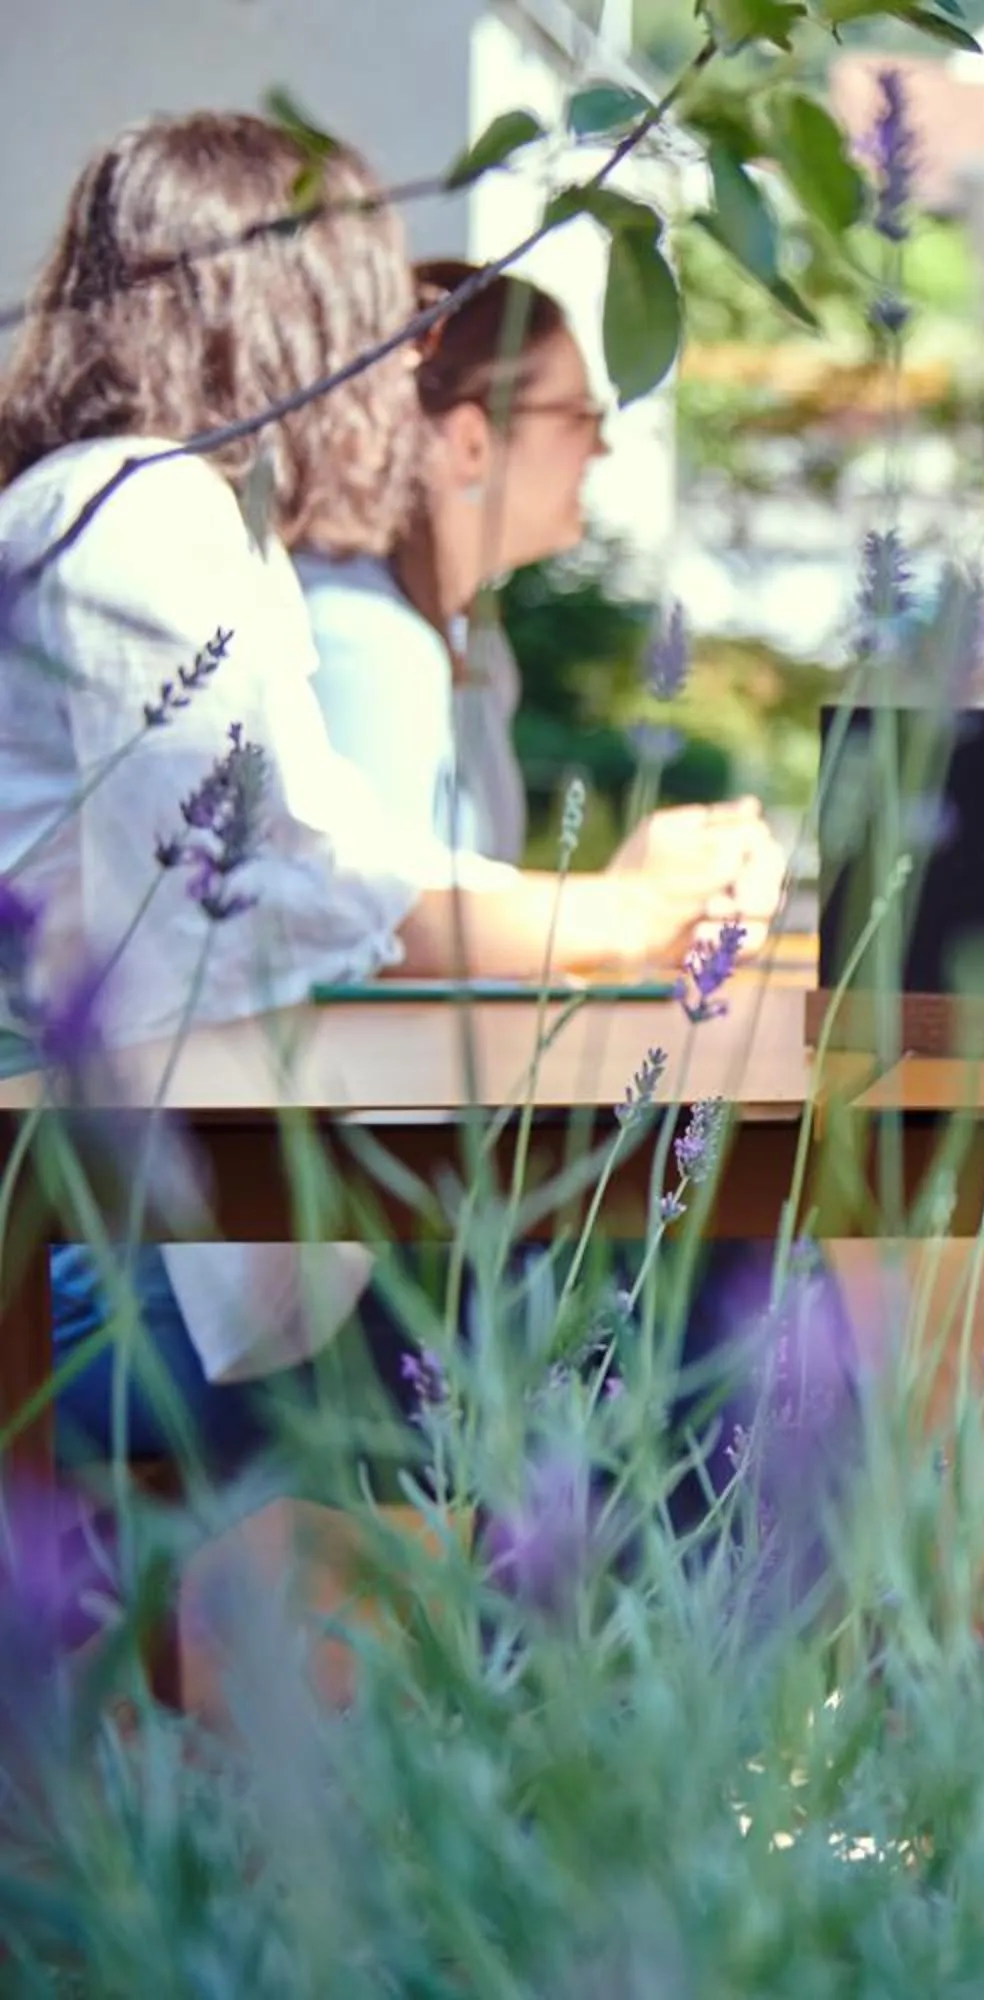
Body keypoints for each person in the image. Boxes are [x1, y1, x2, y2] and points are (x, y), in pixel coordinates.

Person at [0, 115, 755, 1466]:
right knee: (680, 1289)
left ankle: (622, 1675)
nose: (404, 352)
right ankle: (639, 1679)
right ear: (276, 304)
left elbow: (321, 858)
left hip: (128, 1220)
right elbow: (267, 894)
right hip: (97, 1266)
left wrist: (611, 909)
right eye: (375, 302)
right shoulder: (132, 515)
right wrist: (607, 918)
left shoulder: (167, 515)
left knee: (676, 1264)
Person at [302, 261, 778, 895]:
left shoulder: (468, 644)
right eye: (577, 415)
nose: (599, 447)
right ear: (472, 442)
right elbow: (384, 924)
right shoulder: (360, 640)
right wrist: (627, 903)